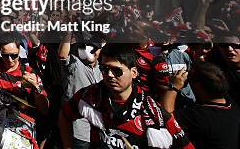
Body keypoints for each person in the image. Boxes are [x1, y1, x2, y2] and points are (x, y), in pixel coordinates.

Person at [59, 44, 195, 149]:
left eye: (117, 70)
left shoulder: (153, 113)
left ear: (134, 73)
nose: (110, 75)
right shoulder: (90, 95)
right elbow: (64, 116)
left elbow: (185, 145)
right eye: (105, 70)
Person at [0, 31, 48, 148]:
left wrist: (36, 88)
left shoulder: (28, 73)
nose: (10, 60)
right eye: (5, 55)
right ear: (0, 50)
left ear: (19, 51)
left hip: (17, 131)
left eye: (14, 55)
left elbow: (44, 109)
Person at [161, 62, 240, 149]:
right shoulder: (231, 104)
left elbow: (167, 118)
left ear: (198, 86)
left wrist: (173, 87)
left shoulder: (200, 115)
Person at [57, 33, 103, 149]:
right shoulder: (76, 63)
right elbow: (62, 55)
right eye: (89, 48)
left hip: (97, 133)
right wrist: (68, 31)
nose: (91, 51)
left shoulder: (103, 69)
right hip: (77, 130)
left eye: (95, 49)